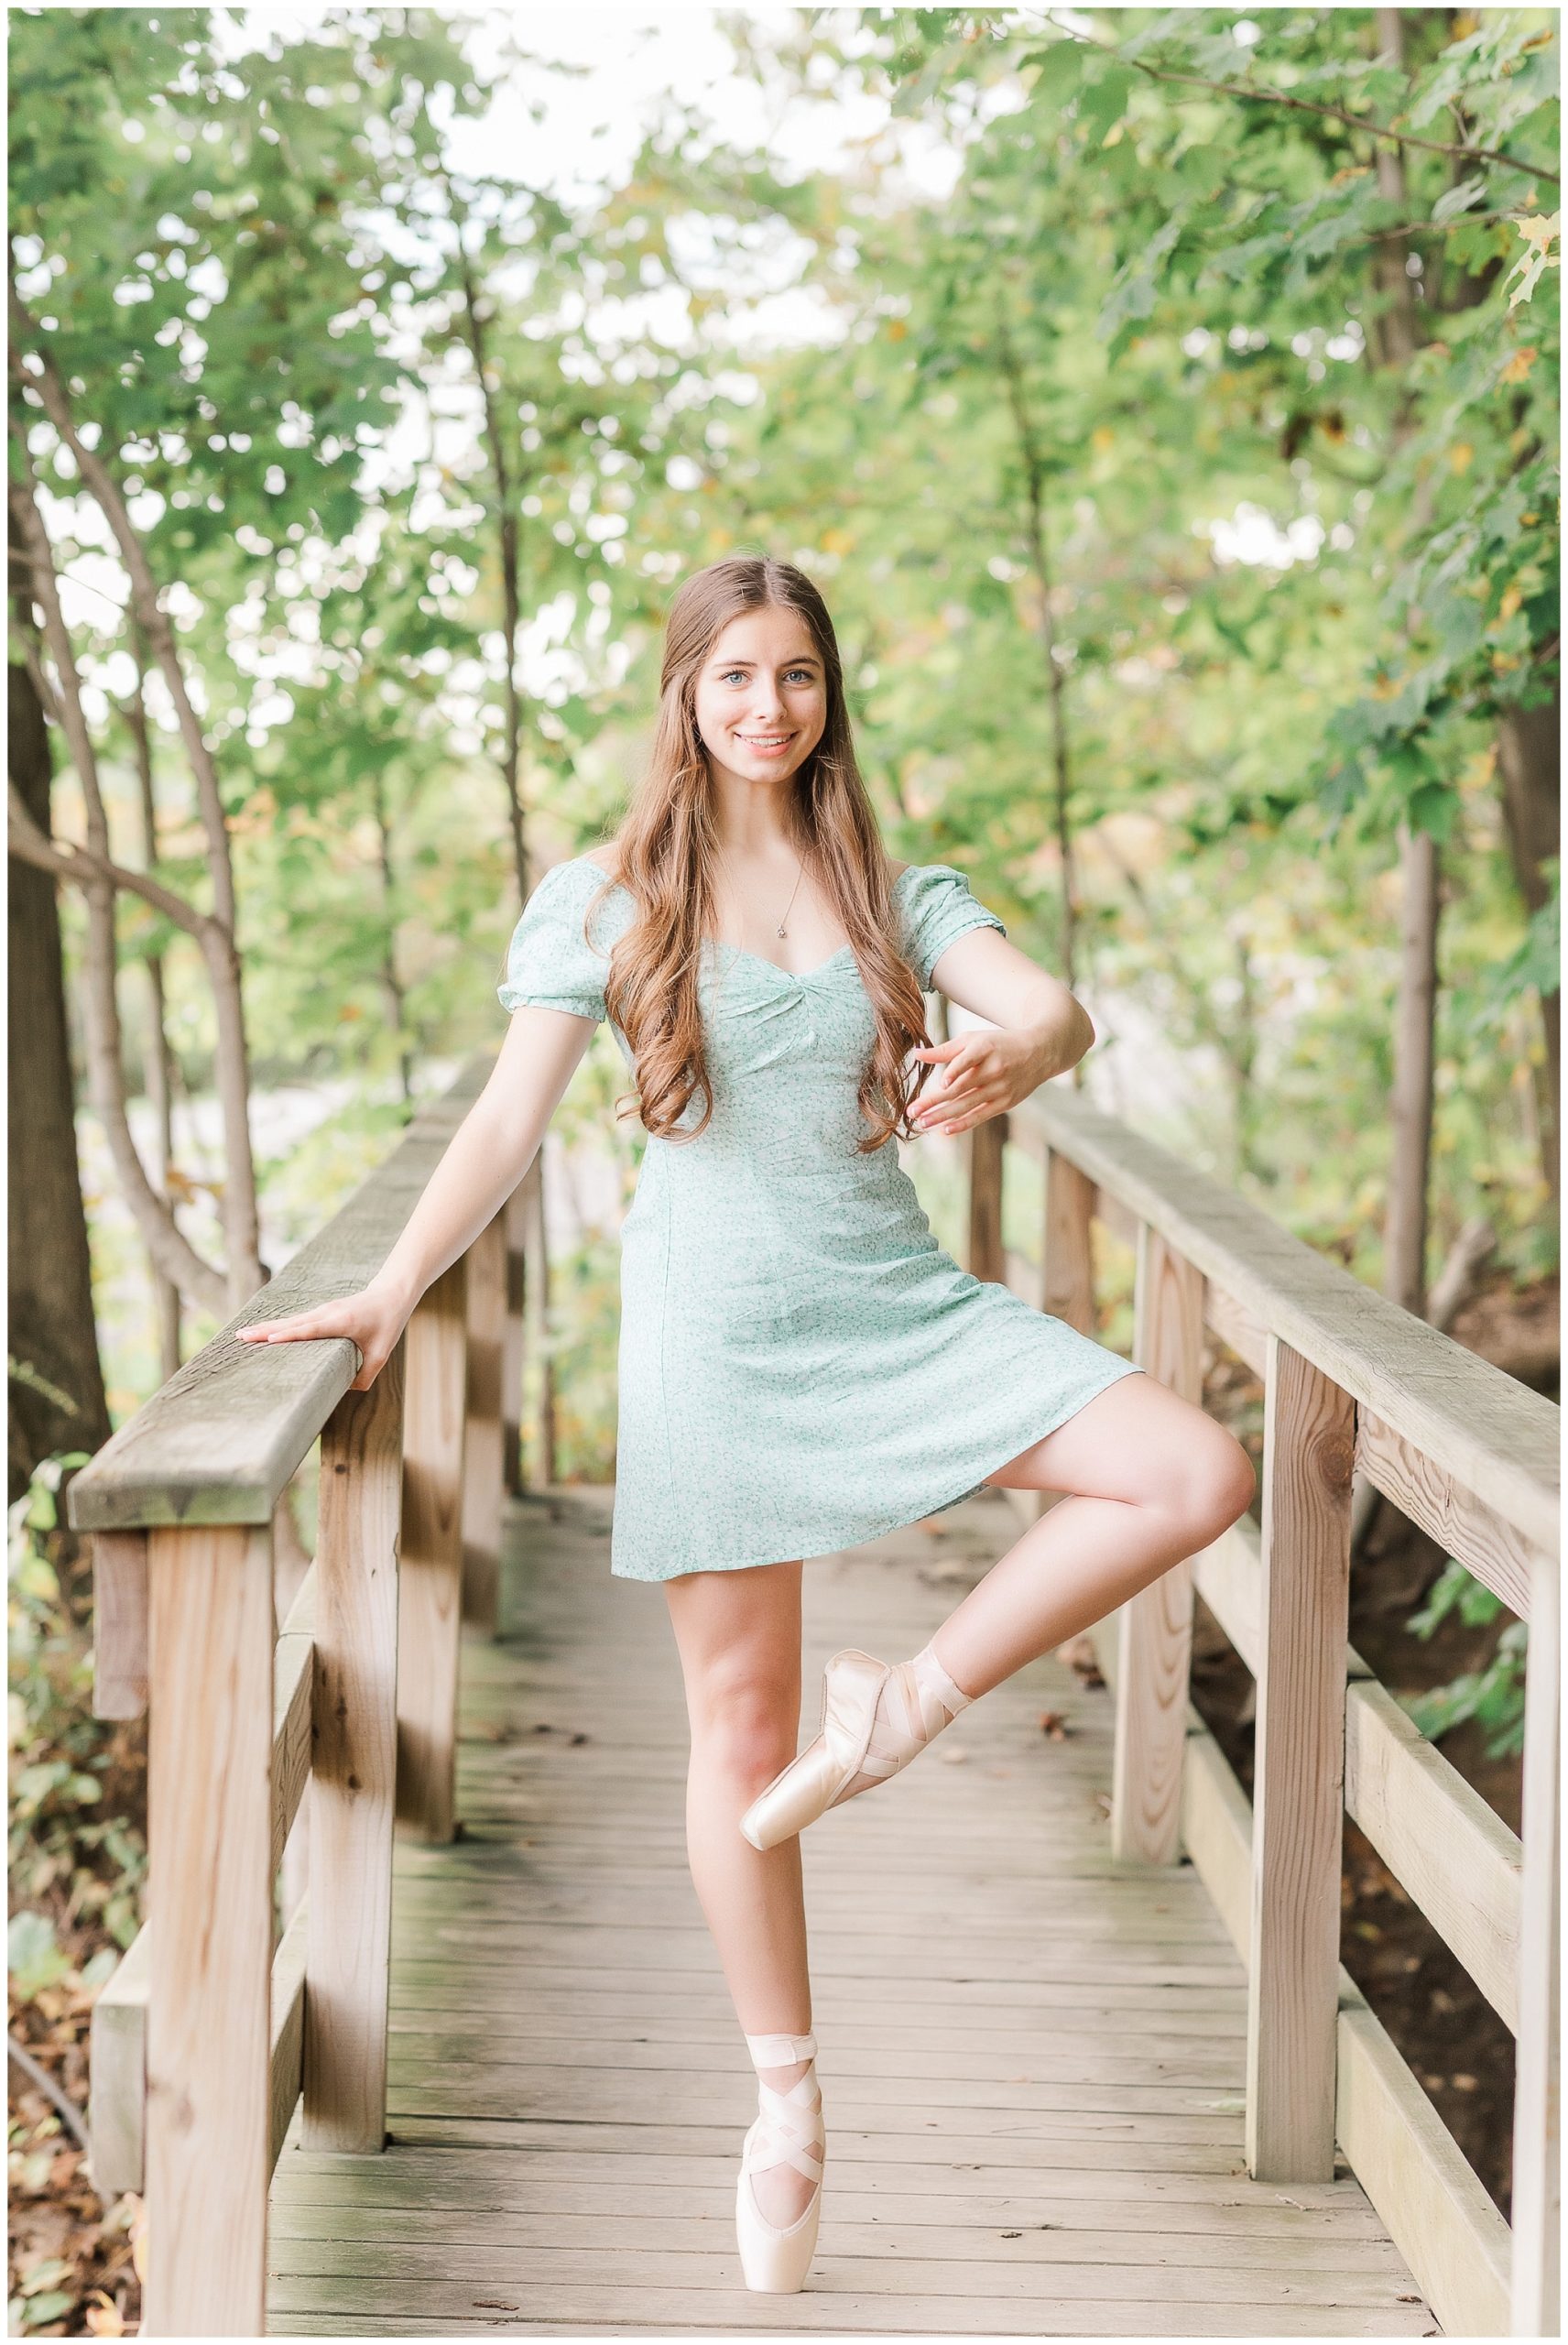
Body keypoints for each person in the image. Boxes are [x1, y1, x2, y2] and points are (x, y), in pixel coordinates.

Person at [239, 551, 1256, 2296]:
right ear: (685, 698)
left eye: (797, 676)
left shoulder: (895, 888)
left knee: (1192, 1468)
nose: (768, 707)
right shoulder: (606, 895)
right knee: (735, 1725)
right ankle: (784, 2102)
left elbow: (1054, 1005)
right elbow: (498, 1131)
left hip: (900, 1307)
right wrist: (392, 1290)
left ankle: (909, 1706)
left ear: (827, 693)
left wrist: (1025, 1055)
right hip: (711, 1333)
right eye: (735, 678)